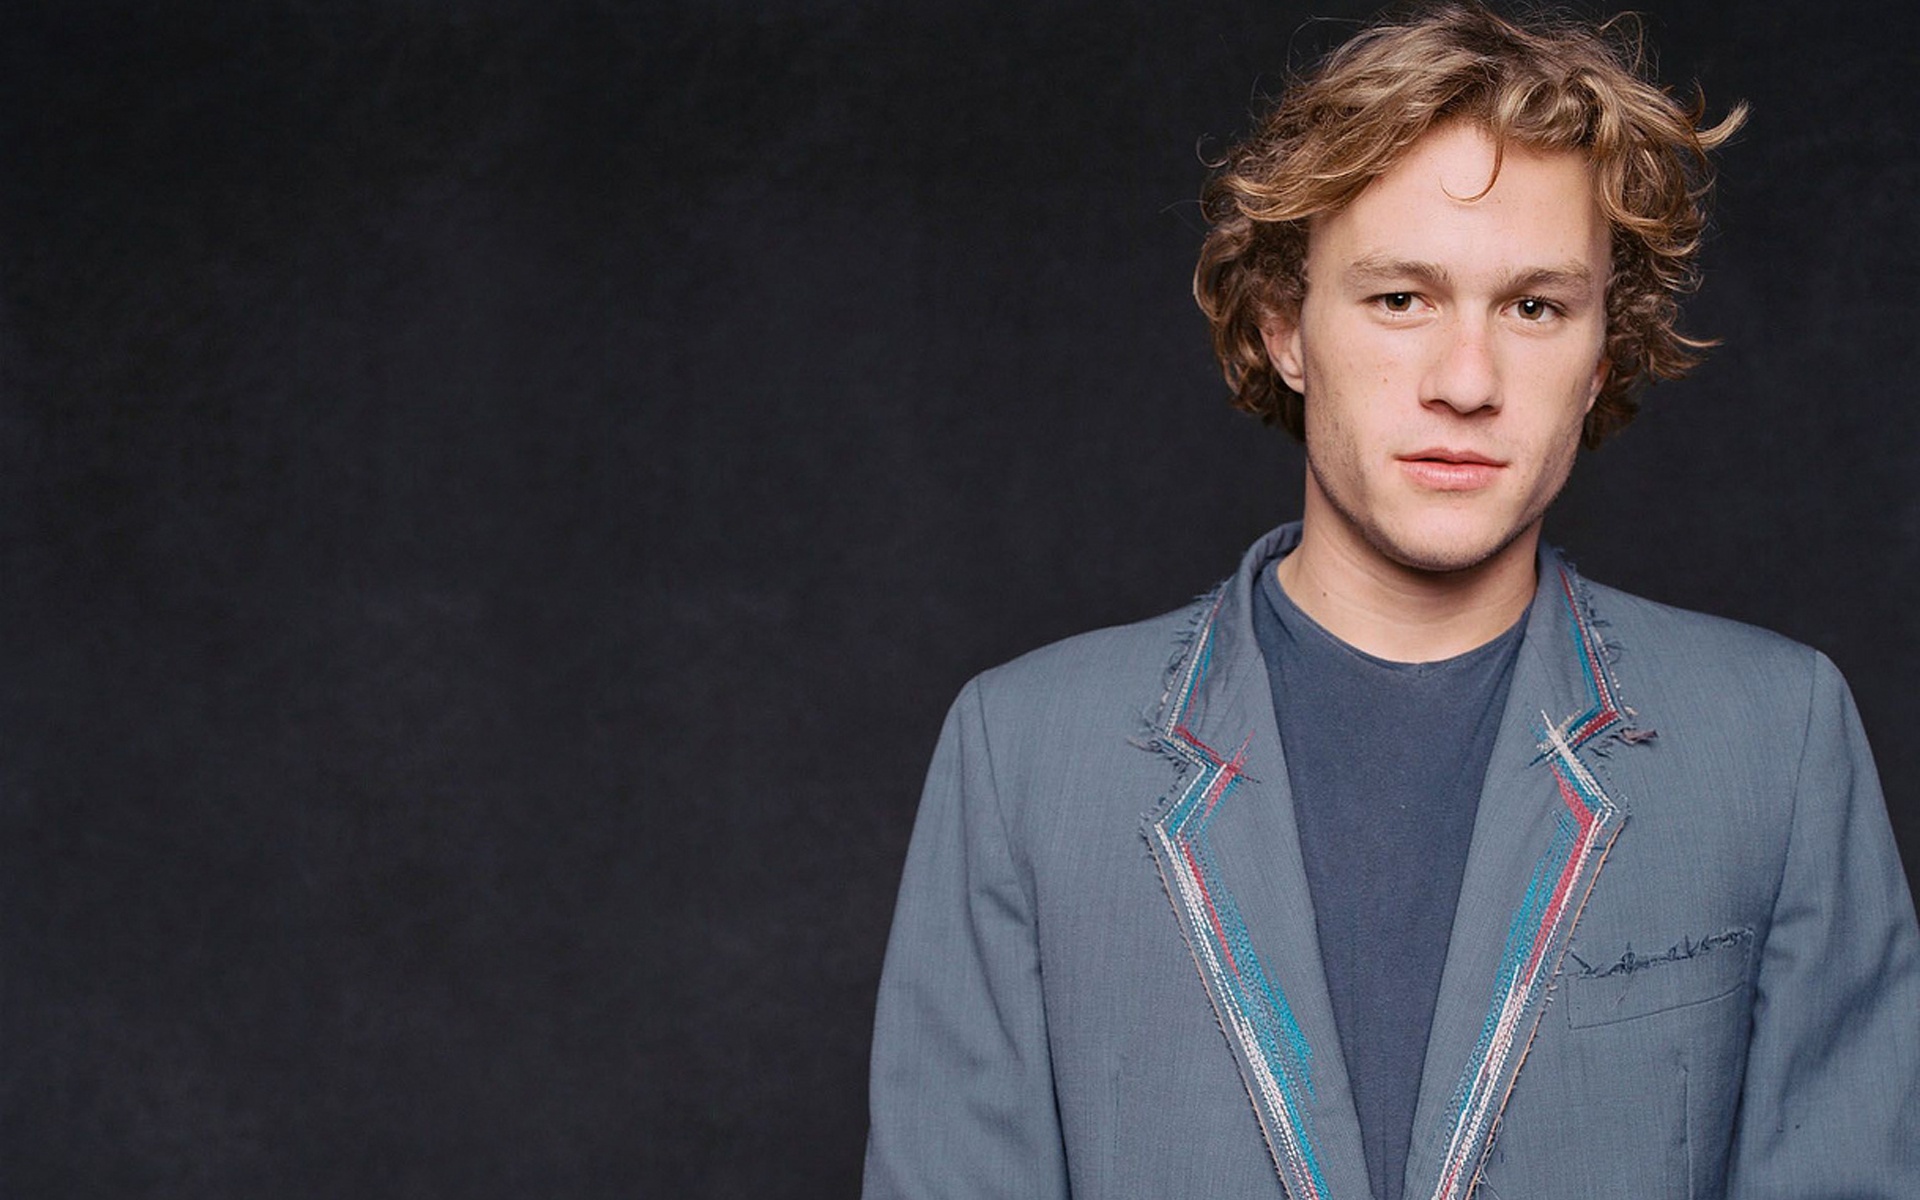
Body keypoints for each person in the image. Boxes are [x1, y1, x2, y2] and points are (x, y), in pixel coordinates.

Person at [861, 4, 1920, 1198]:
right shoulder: (1023, 754)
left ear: (1600, 355)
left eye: (1534, 307)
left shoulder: (1777, 738)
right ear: (1286, 329)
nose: (1467, 381)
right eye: (1400, 299)